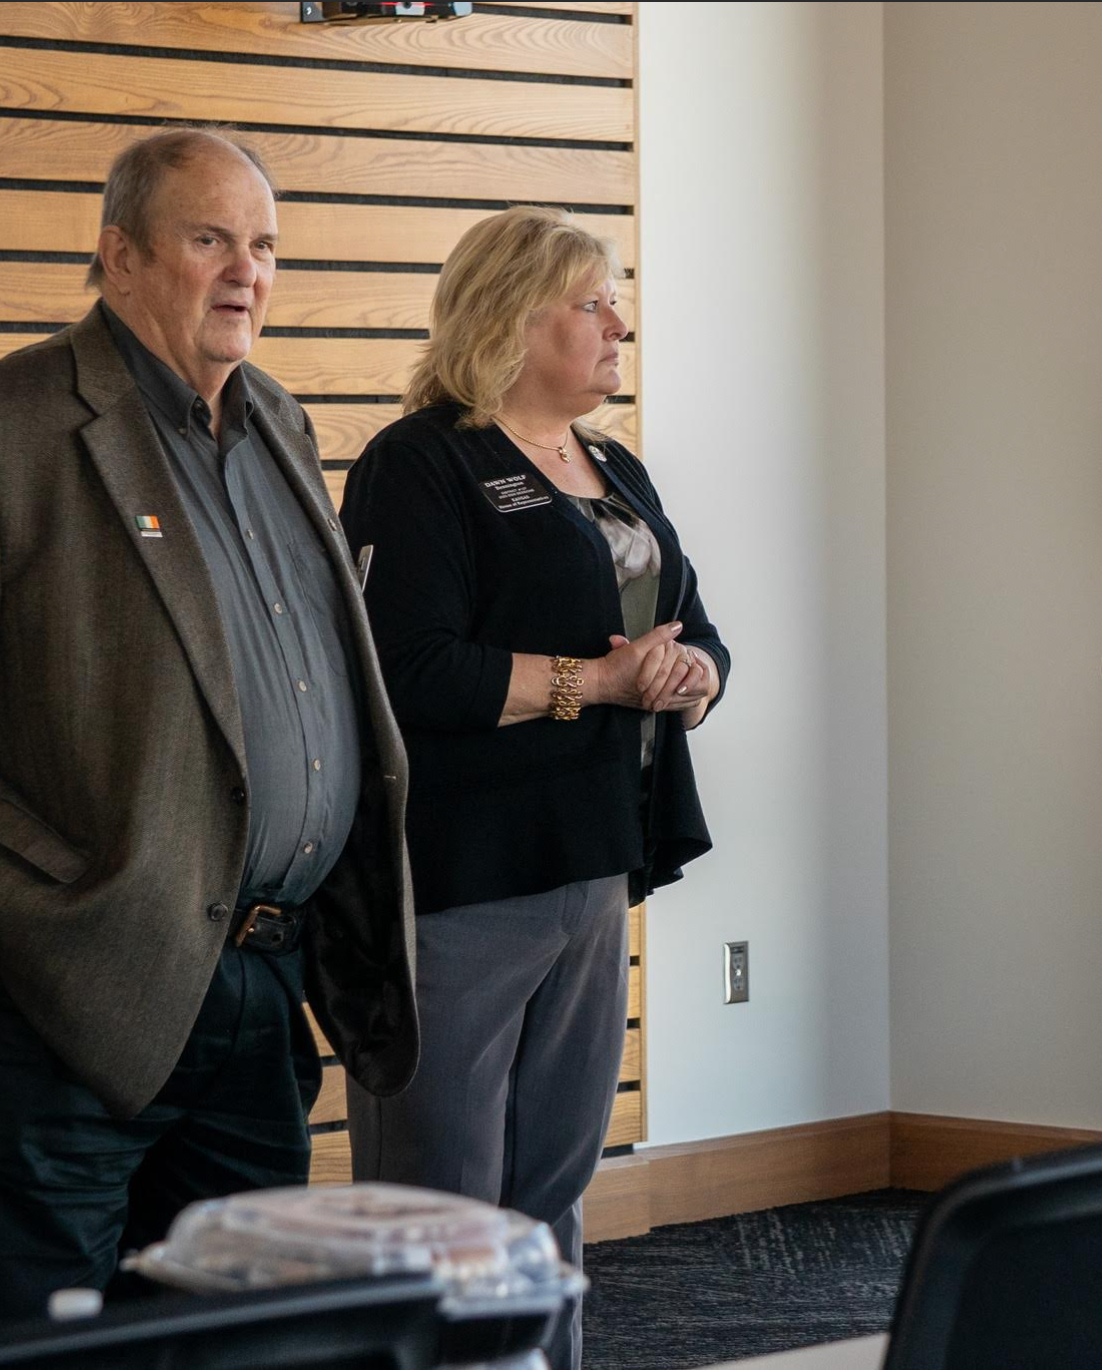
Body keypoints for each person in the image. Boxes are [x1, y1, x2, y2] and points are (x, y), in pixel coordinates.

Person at [0, 127, 417, 1317]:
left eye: (263, 245)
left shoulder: (280, 425)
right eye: (210, 240)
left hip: (258, 990)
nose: (246, 271)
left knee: (234, 1343)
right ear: (121, 257)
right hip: (50, 1006)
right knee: (30, 1346)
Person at [339, 205, 728, 1370]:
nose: (620, 324)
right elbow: (409, 671)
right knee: (442, 1199)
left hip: (595, 855)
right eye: (592, 302)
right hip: (463, 873)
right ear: (513, 318)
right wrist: (599, 679)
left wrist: (694, 671)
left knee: (554, 1180)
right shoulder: (421, 464)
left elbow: (692, 625)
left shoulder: (614, 466)